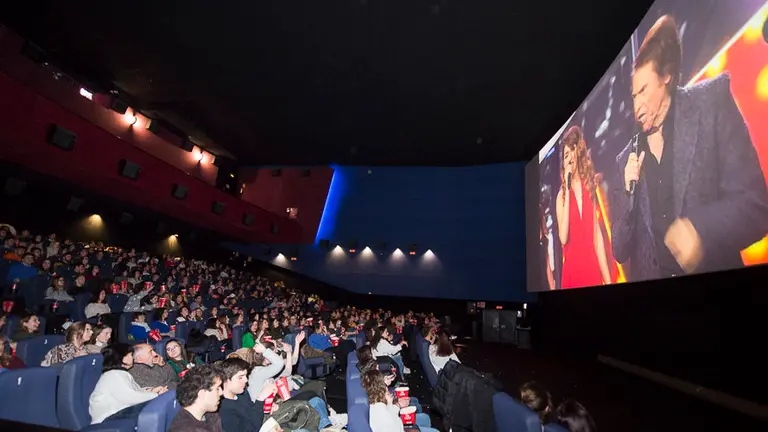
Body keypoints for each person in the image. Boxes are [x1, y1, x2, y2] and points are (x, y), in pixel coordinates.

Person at [611, 15, 768, 281]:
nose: (637, 105)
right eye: (634, 95)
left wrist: (701, 230)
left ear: (667, 77)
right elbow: (619, 249)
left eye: (644, 90)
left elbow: (756, 205)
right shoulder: (626, 158)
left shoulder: (711, 102)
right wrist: (628, 191)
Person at [556, 125, 611, 289]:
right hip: (572, 275)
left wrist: (607, 280)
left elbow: (597, 238)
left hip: (592, 271)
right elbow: (563, 237)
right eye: (565, 155)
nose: (569, 157)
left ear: (578, 153)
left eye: (571, 151)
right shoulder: (561, 197)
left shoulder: (589, 187)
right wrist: (566, 187)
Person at [89, 344, 166, 424]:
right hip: (107, 419)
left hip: (118, 413)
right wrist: (156, 394)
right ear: (122, 358)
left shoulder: (120, 373)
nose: (133, 357)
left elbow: (137, 391)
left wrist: (152, 390)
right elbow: (131, 398)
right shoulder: (113, 375)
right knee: (158, 407)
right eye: (131, 355)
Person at [361, 370, 438, 432]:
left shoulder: (376, 404)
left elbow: (391, 416)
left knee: (425, 418)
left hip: (399, 425)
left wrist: (396, 405)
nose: (387, 388)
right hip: (401, 427)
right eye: (384, 385)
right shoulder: (381, 412)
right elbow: (395, 425)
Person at [217, 358, 280, 432]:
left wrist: (265, 406)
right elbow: (252, 429)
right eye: (240, 377)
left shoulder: (242, 393)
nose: (246, 380)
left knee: (295, 406)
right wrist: (260, 399)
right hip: (258, 427)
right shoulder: (224, 410)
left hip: (261, 421)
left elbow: (252, 411)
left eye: (245, 376)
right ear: (225, 380)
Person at [169, 364, 224, 432]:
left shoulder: (211, 415)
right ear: (202, 394)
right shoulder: (184, 429)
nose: (221, 392)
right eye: (217, 389)